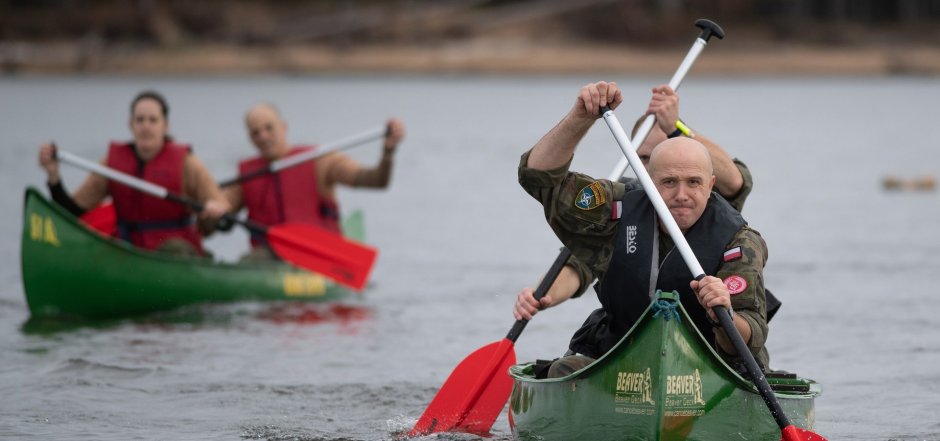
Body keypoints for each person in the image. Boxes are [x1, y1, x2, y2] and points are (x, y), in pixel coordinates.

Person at [513, 81, 770, 378]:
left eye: (694, 182)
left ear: (711, 185)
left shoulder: (740, 241)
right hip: (626, 358)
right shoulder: (619, 207)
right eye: (669, 182)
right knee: (563, 370)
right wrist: (580, 118)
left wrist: (721, 313)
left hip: (709, 368)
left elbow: (749, 335)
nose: (682, 195)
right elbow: (539, 179)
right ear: (648, 178)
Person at [37, 90, 230, 256]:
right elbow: (73, 211)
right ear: (131, 124)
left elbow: (225, 217)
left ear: (166, 126)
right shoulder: (112, 164)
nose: (146, 126)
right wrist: (53, 177)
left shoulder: (188, 164)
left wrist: (216, 213)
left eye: (153, 120)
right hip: (129, 249)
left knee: (174, 248)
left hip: (177, 253)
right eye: (140, 120)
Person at [222, 103, 405, 259]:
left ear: (283, 127)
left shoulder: (321, 160)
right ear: (250, 139)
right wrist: (212, 211)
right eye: (255, 133)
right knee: (251, 259)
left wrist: (388, 153)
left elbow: (376, 180)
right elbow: (217, 210)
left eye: (269, 128)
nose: (263, 136)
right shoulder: (247, 176)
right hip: (270, 256)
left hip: (318, 253)